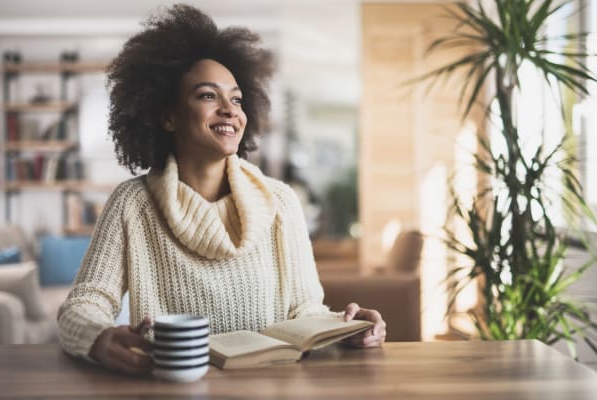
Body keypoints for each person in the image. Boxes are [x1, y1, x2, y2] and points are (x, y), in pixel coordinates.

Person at [57, 4, 386, 376]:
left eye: (237, 99)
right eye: (208, 96)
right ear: (168, 117)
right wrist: (98, 338)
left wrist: (347, 327)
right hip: (173, 386)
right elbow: (83, 304)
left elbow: (305, 312)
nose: (230, 110)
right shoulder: (132, 204)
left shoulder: (280, 202)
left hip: (272, 385)